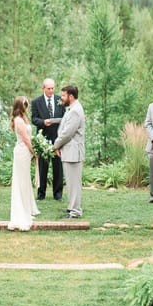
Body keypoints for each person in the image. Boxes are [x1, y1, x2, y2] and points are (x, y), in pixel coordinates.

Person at [7, 96, 40, 231]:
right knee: (20, 180)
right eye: (25, 105)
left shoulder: (23, 119)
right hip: (22, 151)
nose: (27, 108)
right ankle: (21, 210)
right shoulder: (19, 120)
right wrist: (34, 152)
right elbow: (26, 139)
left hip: (25, 152)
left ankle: (27, 207)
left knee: (25, 180)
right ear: (21, 106)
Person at [54, 85, 86, 219]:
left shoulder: (75, 111)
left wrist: (56, 145)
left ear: (71, 96)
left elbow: (67, 133)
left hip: (73, 152)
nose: (61, 98)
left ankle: (75, 211)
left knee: (74, 184)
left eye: (63, 95)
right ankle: (71, 207)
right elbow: (65, 124)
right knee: (71, 182)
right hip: (69, 151)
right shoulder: (72, 109)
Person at [31, 78, 64, 201]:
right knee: (42, 167)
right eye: (48, 88)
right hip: (43, 139)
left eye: (52, 88)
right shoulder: (36, 102)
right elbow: (34, 119)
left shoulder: (60, 100)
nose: (51, 90)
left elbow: (65, 117)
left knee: (58, 167)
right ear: (43, 88)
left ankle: (58, 194)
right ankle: (41, 194)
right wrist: (43, 122)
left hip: (58, 138)